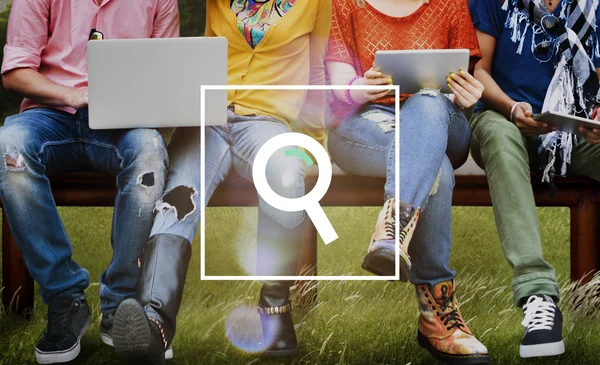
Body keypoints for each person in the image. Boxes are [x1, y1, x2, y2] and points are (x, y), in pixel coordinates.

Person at [111, 0, 331, 363]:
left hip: (265, 122)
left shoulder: (316, 3)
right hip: (207, 120)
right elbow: (203, 60)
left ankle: (275, 310)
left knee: (287, 170)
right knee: (179, 197)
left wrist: (316, 143)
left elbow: (317, 71)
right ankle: (154, 323)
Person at [0, 0, 178, 363]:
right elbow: (16, 71)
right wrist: (74, 96)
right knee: (7, 150)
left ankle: (122, 301)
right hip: (50, 115)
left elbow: (168, 74)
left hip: (123, 122)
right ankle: (65, 297)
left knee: (148, 151)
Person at [325, 0, 490, 363]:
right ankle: (438, 318)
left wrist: (468, 96)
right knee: (437, 171)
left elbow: (467, 78)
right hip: (366, 122)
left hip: (443, 118)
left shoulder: (450, 4)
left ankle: (391, 231)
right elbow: (341, 85)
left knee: (429, 100)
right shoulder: (345, 3)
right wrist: (359, 88)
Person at [468, 0, 600, 358]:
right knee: (498, 135)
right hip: (505, 118)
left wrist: (597, 114)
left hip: (574, 131)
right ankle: (537, 294)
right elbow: (479, 69)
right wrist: (511, 107)